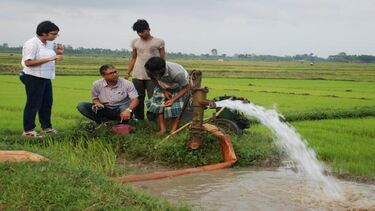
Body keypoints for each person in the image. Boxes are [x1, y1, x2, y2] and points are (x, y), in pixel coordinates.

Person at [20, 20, 64, 138]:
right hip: (33, 77)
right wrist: (51, 58)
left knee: (47, 103)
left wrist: (57, 53)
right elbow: (28, 62)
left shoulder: (47, 43)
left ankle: (47, 128)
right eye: (53, 34)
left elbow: (46, 57)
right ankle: (28, 131)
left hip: (45, 77)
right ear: (44, 33)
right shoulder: (31, 44)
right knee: (33, 104)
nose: (56, 36)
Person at [125, 19, 165, 120]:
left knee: (153, 98)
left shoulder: (158, 42)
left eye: (142, 31)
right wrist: (128, 72)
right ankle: (139, 119)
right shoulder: (135, 42)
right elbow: (133, 57)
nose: (140, 34)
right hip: (137, 74)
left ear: (148, 29)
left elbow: (162, 59)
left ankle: (152, 119)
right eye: (138, 32)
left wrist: (161, 75)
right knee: (137, 98)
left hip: (153, 76)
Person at [144, 57, 189, 134]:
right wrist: (163, 91)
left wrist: (173, 99)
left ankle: (173, 130)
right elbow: (153, 79)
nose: (149, 73)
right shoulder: (150, 70)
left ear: (160, 70)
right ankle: (163, 129)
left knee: (176, 106)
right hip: (163, 84)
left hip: (178, 85)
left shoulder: (177, 73)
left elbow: (186, 87)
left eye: (153, 73)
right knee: (160, 104)